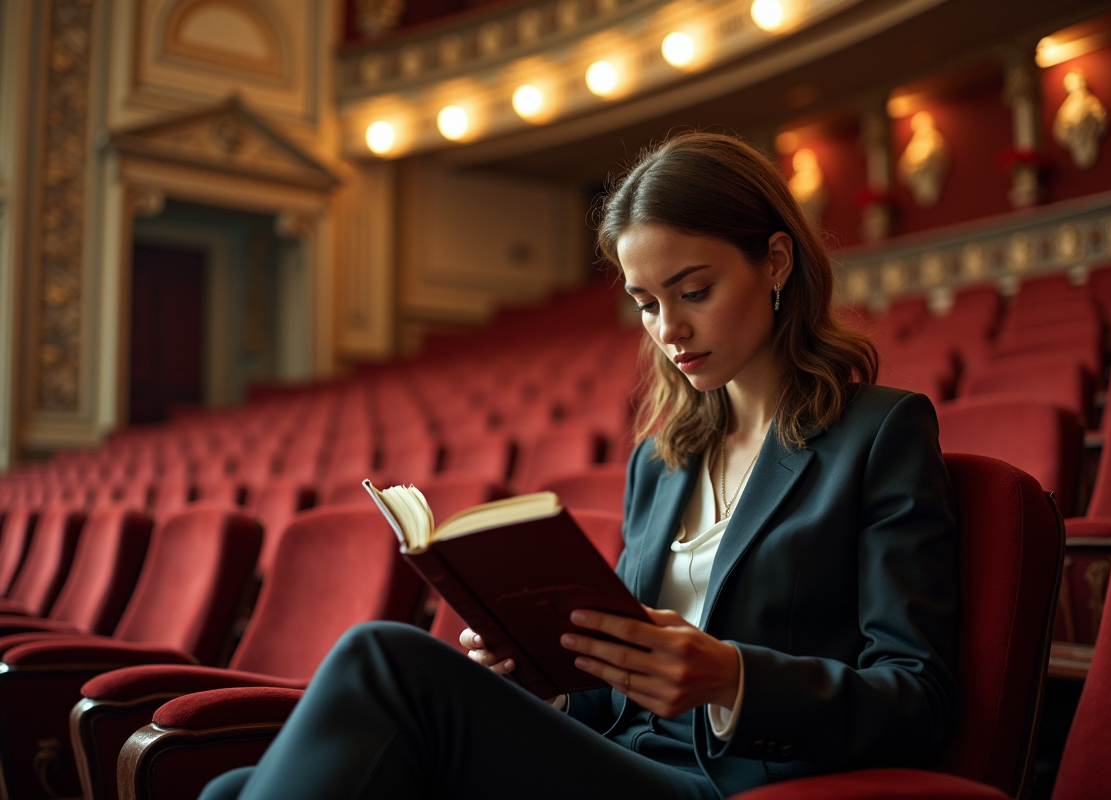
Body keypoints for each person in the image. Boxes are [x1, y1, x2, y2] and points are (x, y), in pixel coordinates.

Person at [200, 132, 959, 800]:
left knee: (382, 657)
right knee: (235, 787)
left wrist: (733, 678)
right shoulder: (661, 464)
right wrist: (540, 682)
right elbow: (616, 692)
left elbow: (918, 699)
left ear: (775, 261)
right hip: (617, 762)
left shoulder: (880, 433)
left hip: (732, 783)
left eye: (694, 291)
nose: (670, 328)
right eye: (646, 302)